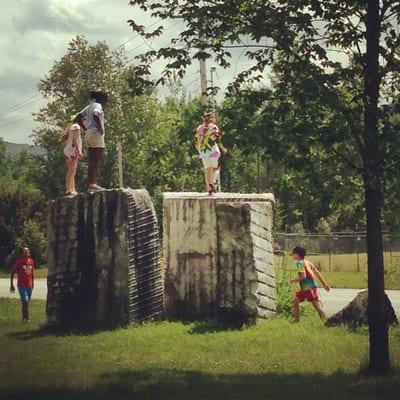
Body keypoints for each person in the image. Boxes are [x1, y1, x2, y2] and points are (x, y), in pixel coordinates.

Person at [290, 245, 331, 323]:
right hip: (307, 287)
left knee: (317, 306)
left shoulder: (299, 263)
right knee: (295, 301)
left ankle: (327, 322)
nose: (292, 255)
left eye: (293, 254)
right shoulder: (308, 262)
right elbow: (317, 273)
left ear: (297, 254)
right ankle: (296, 321)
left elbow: (303, 276)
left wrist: (293, 280)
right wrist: (324, 284)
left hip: (308, 287)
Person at [195, 112, 227, 194]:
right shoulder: (214, 127)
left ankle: (209, 188)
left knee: (207, 169)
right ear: (211, 118)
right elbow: (216, 139)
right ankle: (212, 182)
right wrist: (223, 148)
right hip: (213, 150)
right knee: (215, 168)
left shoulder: (200, 128)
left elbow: (199, 139)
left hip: (204, 150)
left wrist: (199, 149)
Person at [82, 91, 108, 192]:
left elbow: (79, 117)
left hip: (88, 133)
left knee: (92, 160)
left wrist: (86, 127)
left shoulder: (89, 106)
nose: (106, 104)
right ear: (101, 99)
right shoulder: (98, 105)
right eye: (105, 101)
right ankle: (93, 184)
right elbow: (95, 114)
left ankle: (90, 184)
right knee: (96, 159)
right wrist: (100, 127)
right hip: (96, 134)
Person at [10, 247, 36, 323]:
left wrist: (33, 283)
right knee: (25, 301)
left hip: (29, 285)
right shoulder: (18, 262)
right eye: (25, 252)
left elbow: (32, 273)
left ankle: (24, 318)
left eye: (28, 251)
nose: (27, 253)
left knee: (26, 303)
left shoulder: (31, 261)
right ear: (21, 254)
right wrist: (11, 285)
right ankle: (27, 319)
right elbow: (12, 273)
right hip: (21, 285)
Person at [60, 122, 83, 196]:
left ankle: (72, 188)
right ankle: (68, 189)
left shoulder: (73, 127)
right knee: (71, 170)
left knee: (73, 171)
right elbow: (75, 139)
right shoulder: (76, 126)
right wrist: (79, 150)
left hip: (71, 152)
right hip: (71, 152)